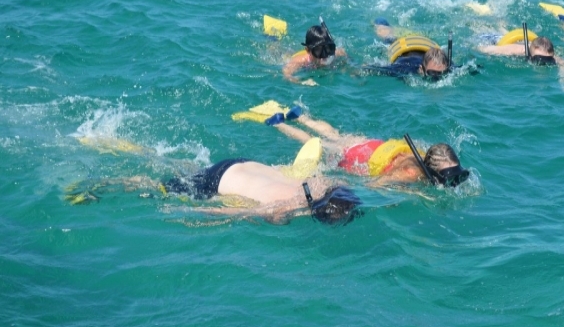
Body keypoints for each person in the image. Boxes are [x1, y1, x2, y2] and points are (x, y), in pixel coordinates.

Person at [66, 144, 362, 226]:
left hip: (241, 163)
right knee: (155, 187)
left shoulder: (320, 184)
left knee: (186, 171)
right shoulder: (286, 209)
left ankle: (141, 150)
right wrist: (194, 215)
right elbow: (238, 213)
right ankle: (102, 185)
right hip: (218, 182)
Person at [265, 105, 470, 188]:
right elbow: (374, 184)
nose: (454, 183)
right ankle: (279, 123)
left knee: (335, 136)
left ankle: (301, 117)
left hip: (376, 146)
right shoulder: (410, 173)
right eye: (449, 178)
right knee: (319, 143)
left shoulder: (428, 155)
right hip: (362, 157)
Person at [282, 23, 348, 85]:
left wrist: (350, 69)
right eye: (318, 50)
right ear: (308, 50)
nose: (324, 55)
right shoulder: (301, 61)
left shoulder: (335, 53)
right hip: (289, 55)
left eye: (327, 48)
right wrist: (302, 82)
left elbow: (344, 53)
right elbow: (286, 74)